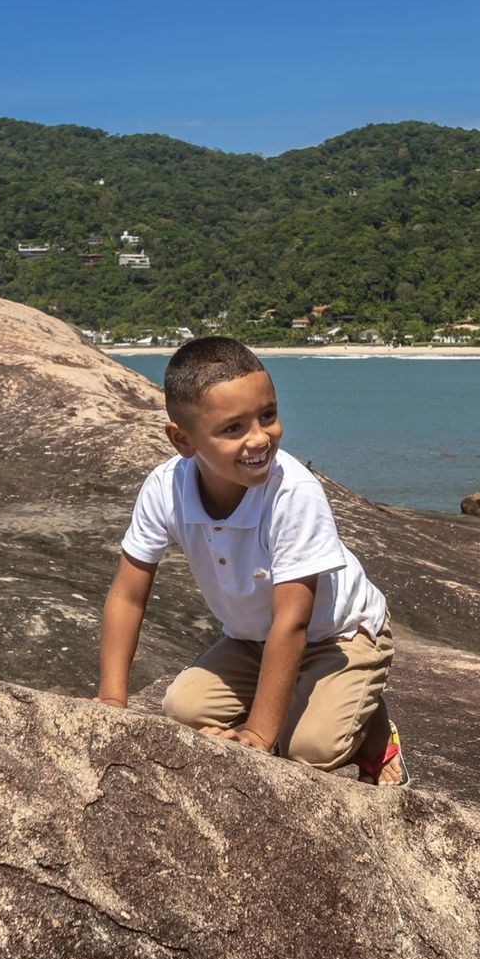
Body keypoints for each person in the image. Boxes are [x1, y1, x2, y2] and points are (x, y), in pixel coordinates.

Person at [94, 337, 408, 786]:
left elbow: (293, 623)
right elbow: (127, 595)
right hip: (253, 640)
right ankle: (303, 695)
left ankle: (376, 735)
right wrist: (111, 698)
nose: (259, 438)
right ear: (182, 439)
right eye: (232, 428)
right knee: (184, 708)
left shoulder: (291, 493)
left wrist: (259, 735)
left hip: (338, 635)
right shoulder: (165, 489)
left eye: (268, 415)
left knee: (308, 750)